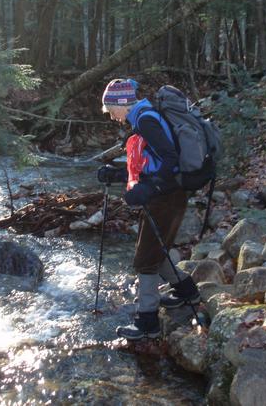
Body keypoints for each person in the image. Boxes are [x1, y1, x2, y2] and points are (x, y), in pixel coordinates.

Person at [98, 78, 200, 340]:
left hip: (166, 198)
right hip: (169, 196)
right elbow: (149, 164)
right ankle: (186, 291)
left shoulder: (145, 120)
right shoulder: (143, 117)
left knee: (145, 259)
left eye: (111, 110)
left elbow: (171, 161)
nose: (111, 116)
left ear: (122, 103)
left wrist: (151, 189)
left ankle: (147, 323)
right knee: (158, 249)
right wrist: (118, 174)